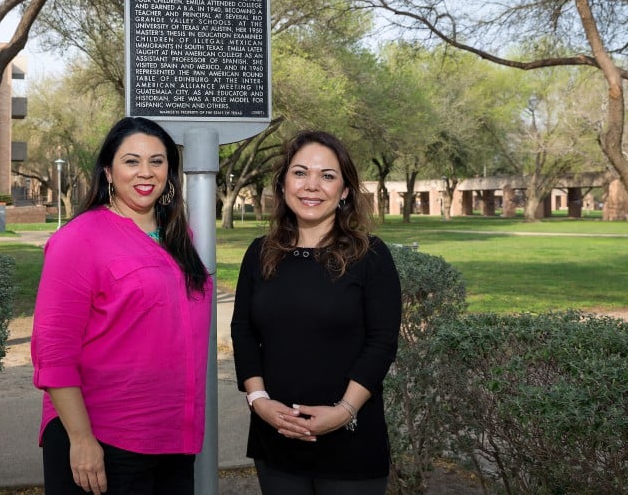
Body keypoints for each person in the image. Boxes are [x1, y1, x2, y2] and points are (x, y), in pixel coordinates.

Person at [31, 116, 212, 495]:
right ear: (108, 172)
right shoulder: (78, 239)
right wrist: (81, 440)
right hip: (105, 440)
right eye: (131, 161)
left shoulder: (179, 235)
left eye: (157, 161)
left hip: (173, 439)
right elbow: (54, 352)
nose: (145, 172)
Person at [230, 130, 402, 495]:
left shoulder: (370, 256)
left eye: (327, 176)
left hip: (351, 440)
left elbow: (382, 342)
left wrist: (343, 411)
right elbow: (243, 331)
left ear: (344, 192)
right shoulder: (259, 253)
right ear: (282, 184)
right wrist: (259, 402)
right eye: (300, 172)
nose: (312, 186)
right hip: (275, 436)